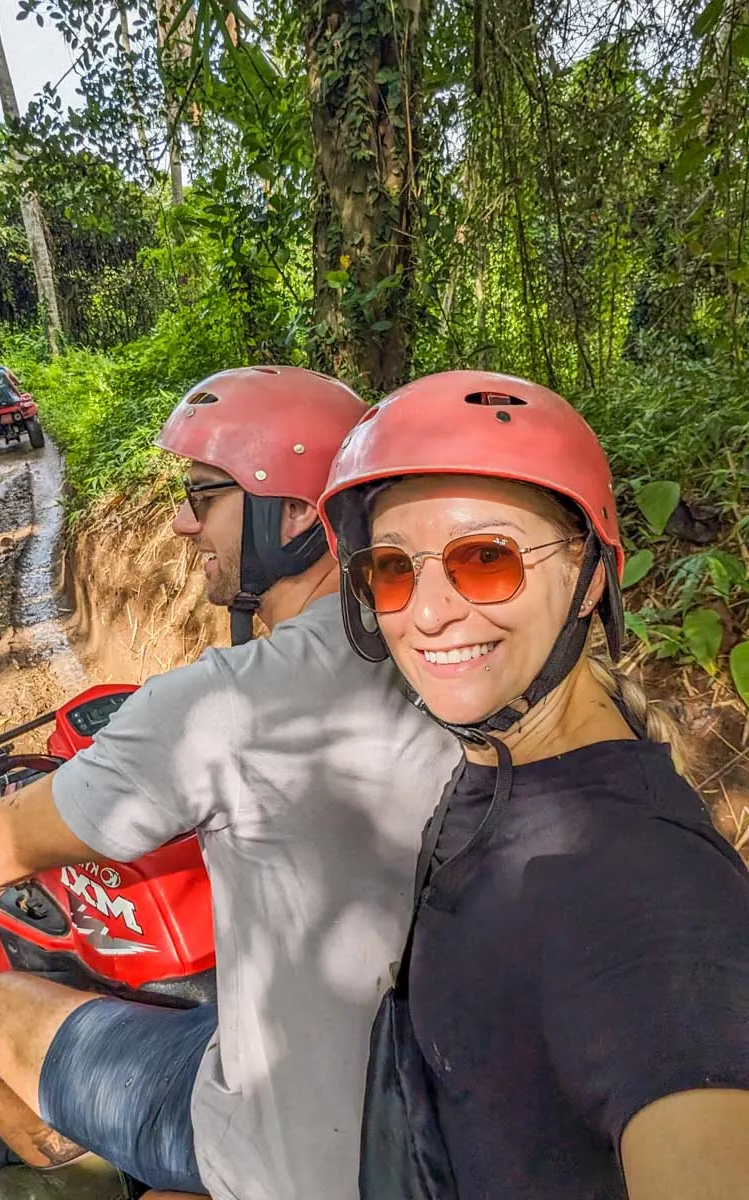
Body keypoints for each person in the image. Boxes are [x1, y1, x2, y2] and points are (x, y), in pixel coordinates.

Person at [0, 365, 460, 1200]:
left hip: (281, 1144)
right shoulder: (443, 659)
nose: (179, 522)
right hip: (423, 1100)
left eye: (203, 494)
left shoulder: (219, 707)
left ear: (293, 515)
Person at [318, 369, 749, 1200]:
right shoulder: (500, 762)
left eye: (485, 559)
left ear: (590, 576)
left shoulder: (649, 904)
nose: (428, 615)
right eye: (394, 570)